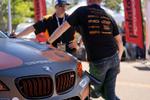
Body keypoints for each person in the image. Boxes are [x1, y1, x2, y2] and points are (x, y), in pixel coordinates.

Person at [48, 0, 124, 99]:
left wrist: (48, 42)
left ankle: (95, 92)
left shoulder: (81, 11)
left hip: (99, 61)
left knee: (89, 89)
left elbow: (62, 28)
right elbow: (119, 42)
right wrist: (118, 58)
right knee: (109, 94)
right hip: (114, 58)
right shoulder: (108, 16)